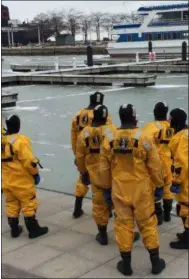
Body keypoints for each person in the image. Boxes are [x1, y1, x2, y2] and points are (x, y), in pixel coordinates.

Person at [100, 104, 166, 275]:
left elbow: (103, 168)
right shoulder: (144, 137)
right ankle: (155, 262)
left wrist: (107, 188)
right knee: (148, 223)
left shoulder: (109, 139)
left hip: (119, 189)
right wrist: (159, 185)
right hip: (142, 190)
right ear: (135, 117)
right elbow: (155, 166)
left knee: (123, 225)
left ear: (120, 117)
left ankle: (126, 264)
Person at [2, 115, 48, 239]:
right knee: (29, 203)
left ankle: (14, 229)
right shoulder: (20, 141)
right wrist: (35, 174)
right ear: (18, 126)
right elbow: (29, 161)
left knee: (11, 204)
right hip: (22, 182)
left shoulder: (2, 141)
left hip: (7, 181)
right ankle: (33, 230)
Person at [75, 105, 116, 245]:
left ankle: (103, 234)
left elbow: (79, 156)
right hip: (113, 176)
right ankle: (124, 233)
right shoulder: (112, 130)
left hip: (95, 176)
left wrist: (83, 172)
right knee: (120, 205)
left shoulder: (84, 133)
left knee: (98, 205)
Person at [71, 91, 111, 218]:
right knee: (103, 183)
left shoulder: (78, 115)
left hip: (84, 153)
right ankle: (107, 208)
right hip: (102, 155)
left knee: (83, 179)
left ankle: (77, 207)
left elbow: (73, 137)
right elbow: (110, 137)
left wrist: (77, 156)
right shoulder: (105, 116)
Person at [143, 102, 174, 225]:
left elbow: (144, 145)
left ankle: (158, 216)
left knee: (154, 188)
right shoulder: (172, 126)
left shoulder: (150, 127)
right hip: (169, 163)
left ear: (155, 112)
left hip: (155, 164)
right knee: (168, 188)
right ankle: (167, 215)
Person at [168, 108, 188, 249]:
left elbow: (181, 161)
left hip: (185, 179)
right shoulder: (185, 133)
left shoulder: (182, 137)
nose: (169, 121)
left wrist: (176, 180)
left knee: (185, 206)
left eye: (171, 118)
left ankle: (187, 239)